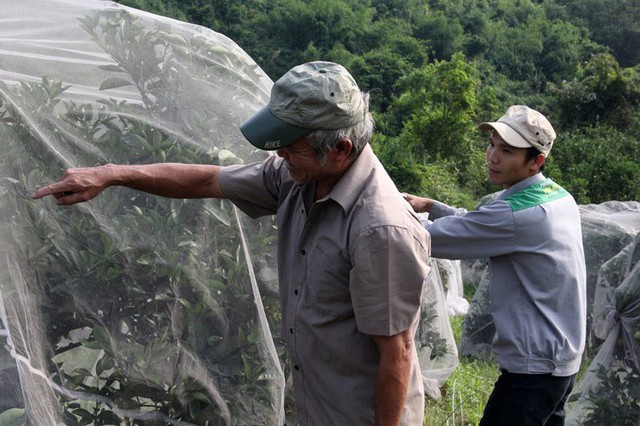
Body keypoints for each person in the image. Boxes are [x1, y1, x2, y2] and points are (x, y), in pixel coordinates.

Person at [33, 61, 431, 426]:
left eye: (291, 145)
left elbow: (396, 354)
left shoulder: (379, 230)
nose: (279, 154)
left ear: (340, 149)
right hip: (319, 406)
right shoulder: (298, 177)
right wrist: (112, 173)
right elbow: (208, 180)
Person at [404, 105, 586, 426]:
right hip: (562, 359)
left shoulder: (517, 215)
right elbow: (483, 223)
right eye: (491, 144)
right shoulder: (556, 196)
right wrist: (432, 206)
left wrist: (382, 218)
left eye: (507, 150)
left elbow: (426, 240)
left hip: (533, 372)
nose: (492, 156)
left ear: (536, 161)